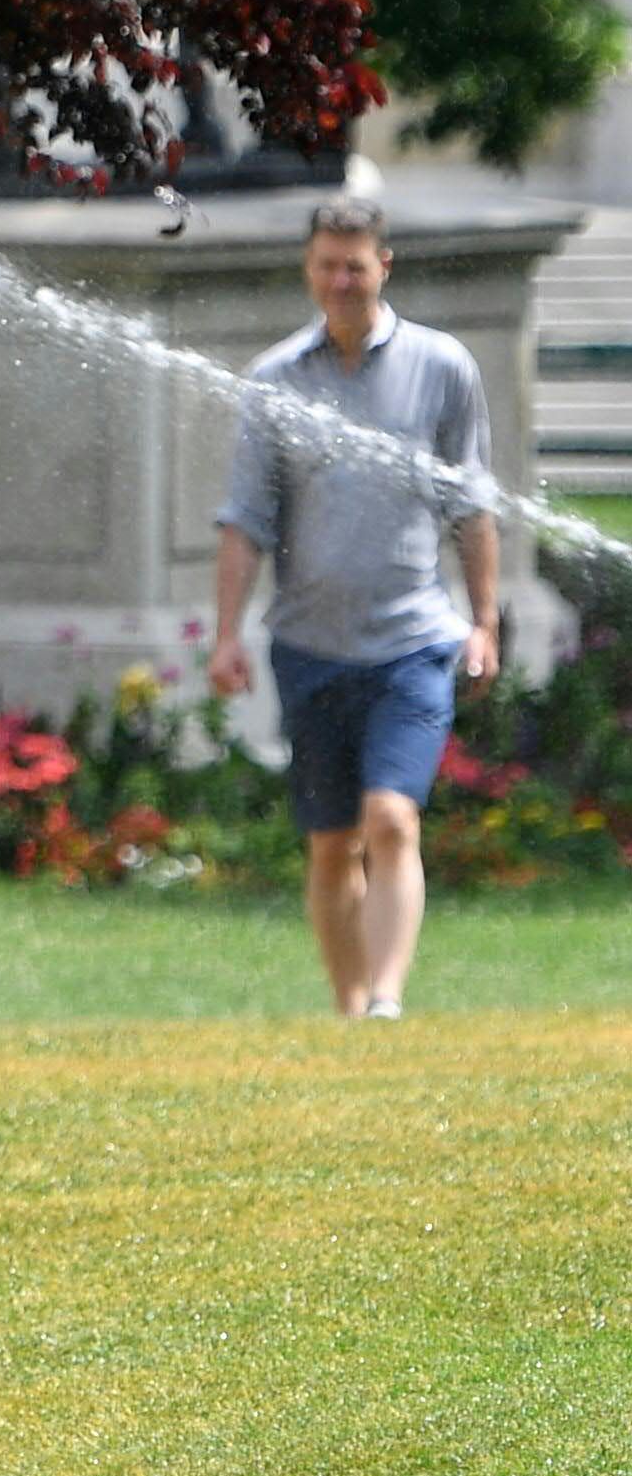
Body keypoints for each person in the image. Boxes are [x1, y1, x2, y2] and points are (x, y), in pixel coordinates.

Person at [207, 197, 501, 1020]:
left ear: (383, 267)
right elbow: (244, 519)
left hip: (411, 640)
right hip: (307, 643)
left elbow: (470, 506)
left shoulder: (442, 366)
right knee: (331, 841)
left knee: (390, 817)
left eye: (355, 266)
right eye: (326, 265)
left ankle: (384, 998)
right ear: (308, 268)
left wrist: (483, 619)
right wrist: (226, 634)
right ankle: (349, 1011)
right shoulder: (273, 379)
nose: (340, 281)